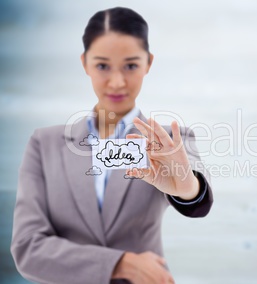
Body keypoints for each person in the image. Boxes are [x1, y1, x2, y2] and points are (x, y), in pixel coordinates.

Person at [10, 7, 213, 284]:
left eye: (130, 65)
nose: (117, 82)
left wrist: (186, 186)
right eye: (102, 65)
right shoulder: (43, 144)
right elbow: (27, 248)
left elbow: (198, 200)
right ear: (84, 63)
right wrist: (121, 263)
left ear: (148, 63)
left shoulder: (169, 140)